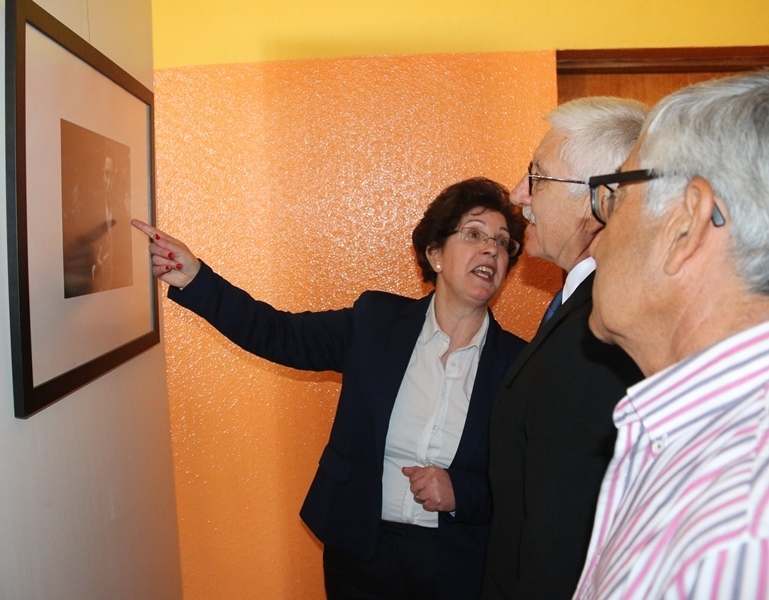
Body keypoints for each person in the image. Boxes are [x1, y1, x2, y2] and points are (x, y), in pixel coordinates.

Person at [132, 177, 527, 600]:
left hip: (458, 566)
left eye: (503, 243)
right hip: (359, 553)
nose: (491, 250)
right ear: (435, 254)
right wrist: (195, 278)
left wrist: (460, 492)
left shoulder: (520, 365)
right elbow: (278, 334)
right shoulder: (376, 323)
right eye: (474, 234)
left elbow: (528, 484)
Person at [573, 71, 769, 599]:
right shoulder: (687, 436)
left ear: (687, 223)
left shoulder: (741, 526)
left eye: (614, 199)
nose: (596, 243)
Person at [482, 98, 647, 599]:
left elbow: (563, 532)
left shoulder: (601, 329)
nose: (519, 195)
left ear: (600, 198)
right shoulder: (580, 303)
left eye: (537, 176)